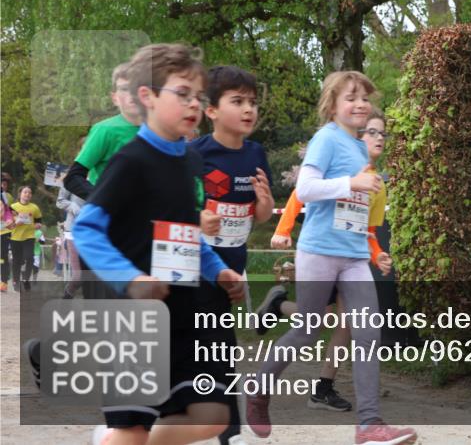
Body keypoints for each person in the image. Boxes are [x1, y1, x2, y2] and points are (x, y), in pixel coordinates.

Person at [73, 43, 245, 445]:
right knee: (133, 429)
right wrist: (131, 279)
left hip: (182, 312)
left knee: (213, 415)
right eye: (182, 94)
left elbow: (183, 231)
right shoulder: (131, 160)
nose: (194, 105)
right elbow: (87, 229)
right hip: (136, 318)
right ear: (147, 97)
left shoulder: (187, 160)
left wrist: (217, 269)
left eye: (198, 97)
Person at [245, 72, 416, 445]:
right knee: (307, 330)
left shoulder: (358, 148)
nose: (360, 104)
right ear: (333, 105)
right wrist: (350, 184)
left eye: (365, 98)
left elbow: (359, 212)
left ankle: (369, 424)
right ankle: (258, 390)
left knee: (369, 334)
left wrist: (375, 250)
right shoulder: (326, 139)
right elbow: (304, 189)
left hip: (354, 256)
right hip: (319, 250)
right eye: (351, 98)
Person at [189, 65, 274, 445]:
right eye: (237, 101)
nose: (248, 110)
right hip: (191, 267)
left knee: (220, 345)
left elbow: (259, 216)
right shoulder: (195, 153)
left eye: (252, 102)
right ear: (211, 110)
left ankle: (229, 431)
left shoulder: (256, 153)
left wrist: (266, 204)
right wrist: (198, 217)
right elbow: (171, 207)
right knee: (205, 344)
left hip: (231, 268)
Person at [63, 62, 142, 201]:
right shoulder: (105, 130)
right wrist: (104, 202)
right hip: (113, 218)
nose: (131, 95)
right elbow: (72, 177)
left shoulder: (162, 131)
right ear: (115, 98)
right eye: (124, 89)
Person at [9, 186, 42, 292]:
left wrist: (38, 225)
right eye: (25, 192)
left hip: (29, 237)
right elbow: (7, 224)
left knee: (29, 258)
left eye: (29, 192)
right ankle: (15, 281)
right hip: (15, 237)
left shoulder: (35, 207)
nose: (27, 194)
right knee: (17, 261)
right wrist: (15, 223)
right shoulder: (13, 207)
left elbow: (38, 221)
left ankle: (26, 280)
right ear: (20, 194)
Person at [55, 183, 86, 299]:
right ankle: (68, 294)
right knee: (78, 276)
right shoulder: (73, 179)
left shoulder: (101, 176)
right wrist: (72, 206)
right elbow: (60, 201)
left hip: (94, 230)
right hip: (73, 230)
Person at [1, 172, 16, 292]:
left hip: (3, 230)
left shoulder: (7, 196)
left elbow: (10, 211)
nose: (3, 186)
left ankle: (4, 282)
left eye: (5, 184)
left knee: (3, 257)